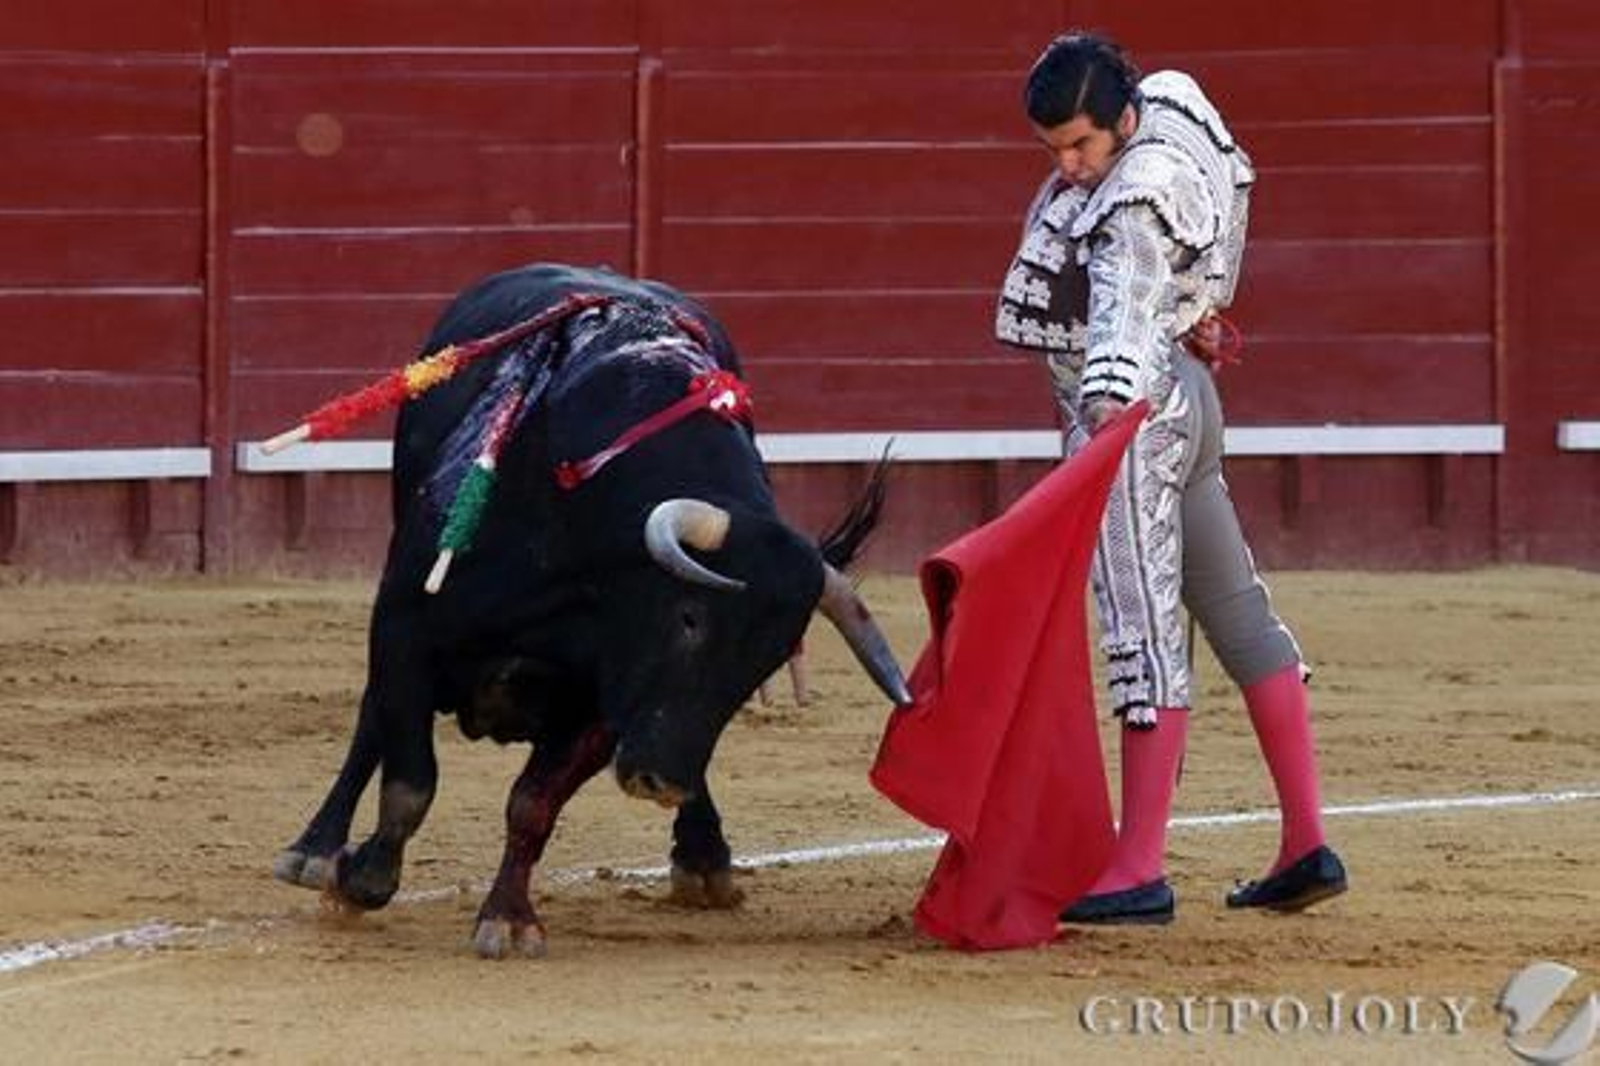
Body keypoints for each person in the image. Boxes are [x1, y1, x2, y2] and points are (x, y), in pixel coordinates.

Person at [994, 32, 1347, 924]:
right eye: (1054, 151)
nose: (1070, 167)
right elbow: (1234, 180)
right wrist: (1201, 304)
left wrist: (1106, 422)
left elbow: (1121, 310)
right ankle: (1307, 842)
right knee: (1237, 613)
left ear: (1122, 119)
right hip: (1190, 399)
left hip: (1136, 422)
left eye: (1081, 146)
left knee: (1142, 632)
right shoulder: (1177, 101)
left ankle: (1139, 867)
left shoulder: (1131, 206)